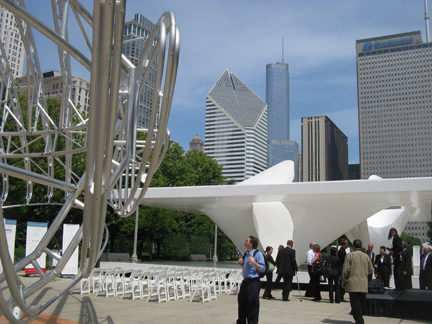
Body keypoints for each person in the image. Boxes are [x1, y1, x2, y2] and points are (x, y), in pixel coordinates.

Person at [342, 239, 373, 324]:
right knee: (361, 302)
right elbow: (371, 270)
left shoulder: (350, 255)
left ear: (353, 246)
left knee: (354, 303)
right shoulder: (366, 256)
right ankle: (360, 319)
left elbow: (346, 269)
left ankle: (359, 320)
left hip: (353, 282)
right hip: (363, 282)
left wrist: (343, 279)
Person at [237, 236, 266, 324]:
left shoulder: (258, 254)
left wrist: (253, 262)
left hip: (253, 282)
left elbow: (262, 268)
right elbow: (248, 269)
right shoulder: (246, 253)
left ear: (251, 243)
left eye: (247, 240)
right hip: (245, 281)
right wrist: (241, 264)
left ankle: (252, 322)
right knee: (242, 303)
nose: (245, 241)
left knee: (252, 304)